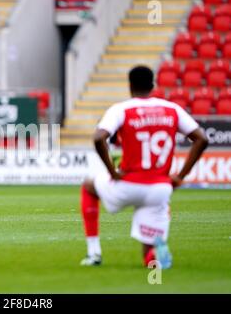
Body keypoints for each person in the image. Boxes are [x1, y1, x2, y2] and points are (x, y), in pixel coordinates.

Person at [80, 66, 208, 269]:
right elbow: (201, 139)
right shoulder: (172, 109)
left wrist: (112, 172)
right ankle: (154, 259)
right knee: (150, 248)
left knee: (89, 185)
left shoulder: (121, 109)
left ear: (130, 85)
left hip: (128, 184)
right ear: (153, 85)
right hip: (159, 188)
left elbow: (98, 138)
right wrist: (180, 176)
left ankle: (94, 253)